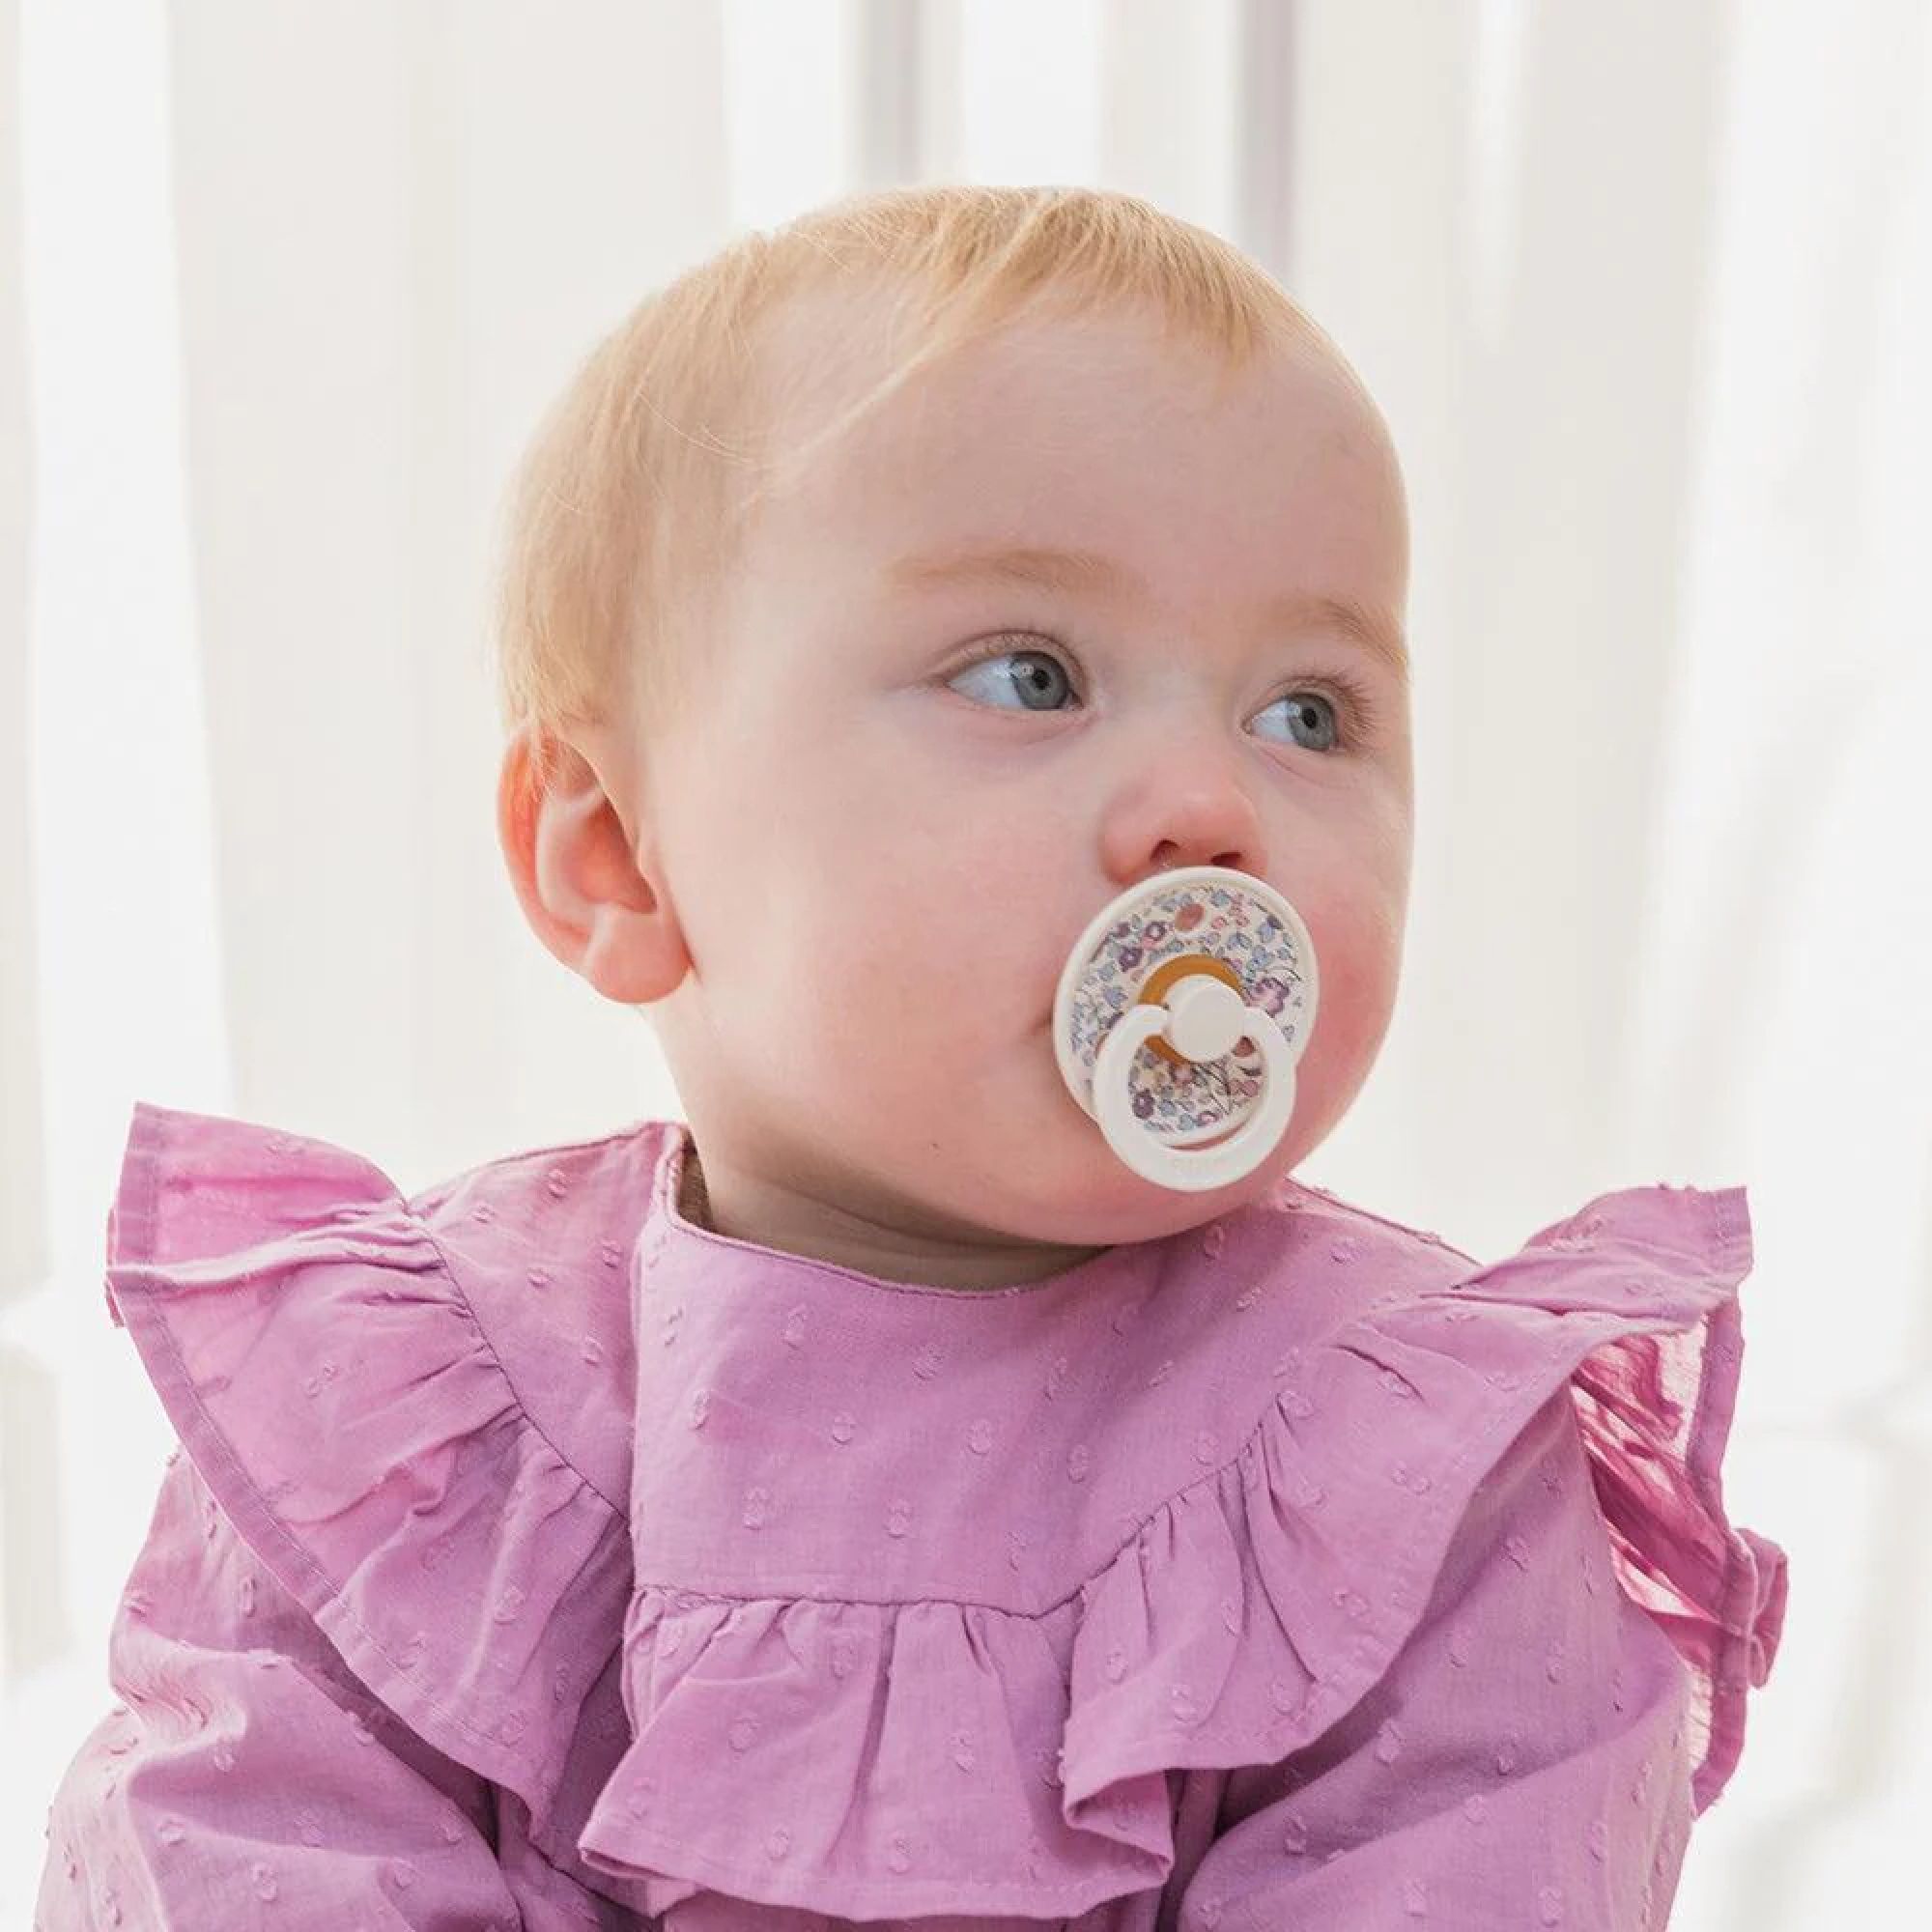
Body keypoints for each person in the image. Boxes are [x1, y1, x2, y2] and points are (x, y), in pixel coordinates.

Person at [37, 184, 1789, 1929]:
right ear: (620, 858)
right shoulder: (390, 1427)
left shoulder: (1413, 1474)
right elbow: (235, 1859)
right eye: (1029, 677)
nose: (1210, 806)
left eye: (1307, 712)